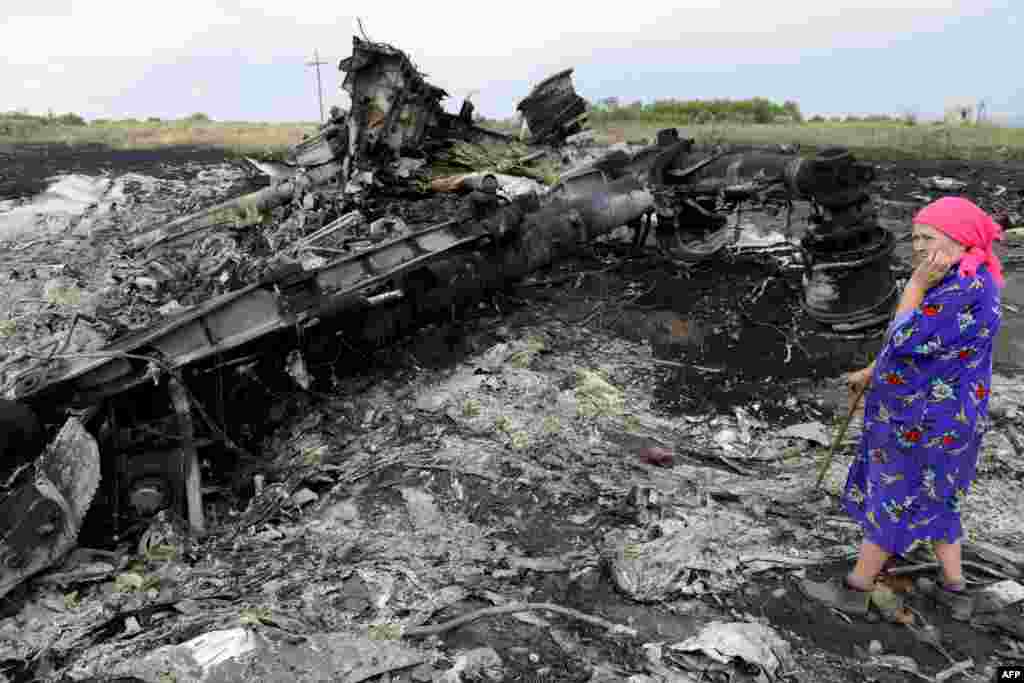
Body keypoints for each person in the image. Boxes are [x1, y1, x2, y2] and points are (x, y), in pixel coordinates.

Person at [801, 197, 1005, 621]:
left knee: (896, 495)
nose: (918, 247)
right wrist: (876, 371)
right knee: (938, 496)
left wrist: (913, 286)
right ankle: (955, 590)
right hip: (951, 417)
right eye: (914, 238)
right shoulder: (971, 278)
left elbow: (904, 337)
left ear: (961, 239)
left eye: (928, 237)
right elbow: (928, 352)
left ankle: (856, 588)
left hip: (924, 420)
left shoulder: (959, 290)